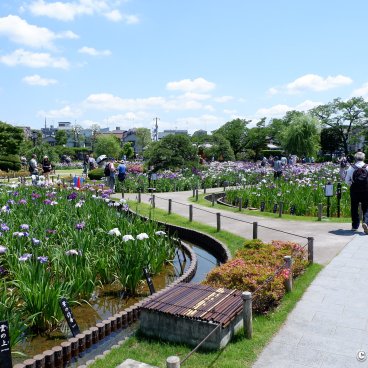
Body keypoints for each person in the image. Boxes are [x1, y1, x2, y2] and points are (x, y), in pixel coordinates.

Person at [344, 151, 368, 233]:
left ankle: (355, 225)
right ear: (363, 158)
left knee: (354, 207)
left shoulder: (351, 168)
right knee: (366, 207)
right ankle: (365, 222)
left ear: (355, 158)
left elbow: (347, 180)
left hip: (354, 190)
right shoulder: (367, 167)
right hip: (366, 190)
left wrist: (352, 185)